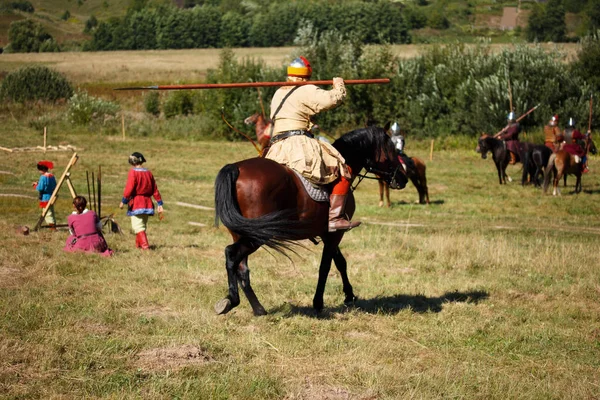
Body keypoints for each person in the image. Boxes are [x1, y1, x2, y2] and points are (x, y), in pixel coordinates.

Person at [264, 56, 359, 232]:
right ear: (305, 76)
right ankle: (335, 218)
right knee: (343, 169)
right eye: (308, 78)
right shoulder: (305, 89)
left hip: (277, 147)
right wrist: (338, 85)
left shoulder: (279, 92)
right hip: (297, 144)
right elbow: (331, 99)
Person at [119, 152, 163, 249]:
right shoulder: (148, 173)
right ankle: (138, 246)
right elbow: (154, 189)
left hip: (137, 203)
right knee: (141, 225)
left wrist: (124, 201)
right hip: (147, 203)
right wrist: (159, 202)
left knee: (138, 227)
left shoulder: (133, 172)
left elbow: (129, 188)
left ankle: (145, 247)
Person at [33, 160, 57, 230]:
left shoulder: (43, 177)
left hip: (45, 197)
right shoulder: (52, 176)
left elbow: (40, 188)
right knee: (51, 212)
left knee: (47, 213)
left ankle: (52, 227)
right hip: (51, 196)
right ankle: (53, 225)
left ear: (42, 169)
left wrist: (35, 185)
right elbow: (54, 185)